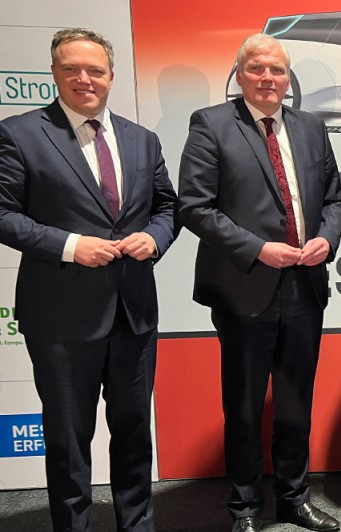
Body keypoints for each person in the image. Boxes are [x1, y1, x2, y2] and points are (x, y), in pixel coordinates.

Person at [0, 28, 176, 532]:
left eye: (95, 70)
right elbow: (4, 214)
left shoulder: (142, 139)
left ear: (111, 76)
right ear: (54, 74)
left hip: (134, 313)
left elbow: (167, 207)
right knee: (69, 440)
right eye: (71, 69)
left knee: (134, 434)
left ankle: (136, 525)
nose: (85, 79)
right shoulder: (19, 134)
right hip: (60, 317)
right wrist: (71, 246)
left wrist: (154, 239)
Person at [177, 34, 341, 532]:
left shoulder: (311, 127)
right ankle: (245, 508)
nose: (268, 78)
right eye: (257, 68)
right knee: (245, 408)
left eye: (277, 70)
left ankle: (294, 498)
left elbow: (335, 198)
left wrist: (326, 238)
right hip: (244, 287)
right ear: (239, 74)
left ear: (288, 77)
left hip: (304, 286)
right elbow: (194, 206)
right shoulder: (211, 123)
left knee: (295, 403)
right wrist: (258, 249)